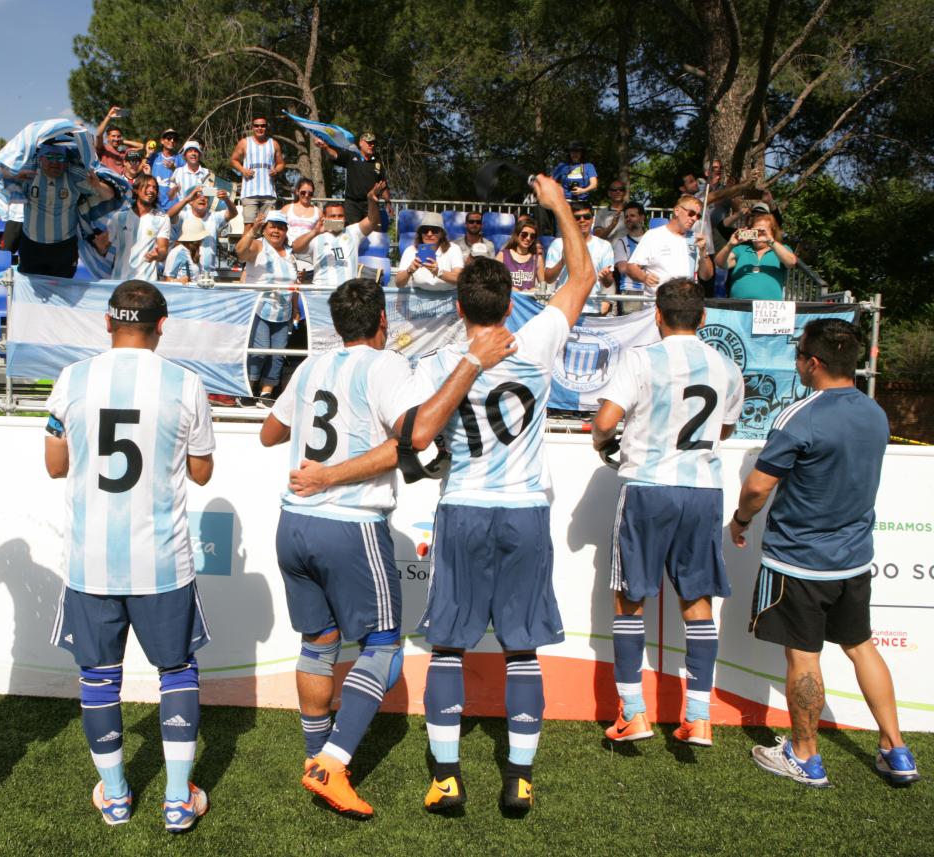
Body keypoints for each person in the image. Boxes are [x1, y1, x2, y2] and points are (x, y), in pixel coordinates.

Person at [285, 174, 597, 816]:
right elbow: (583, 277)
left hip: (462, 509)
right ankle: (519, 777)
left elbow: (419, 441)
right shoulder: (535, 341)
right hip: (525, 511)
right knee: (522, 648)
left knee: (448, 645)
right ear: (512, 306)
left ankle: (447, 778)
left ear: (459, 307)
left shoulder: (439, 366)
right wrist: (561, 208)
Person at [259, 277, 518, 819]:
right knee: (383, 648)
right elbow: (418, 434)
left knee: (319, 641)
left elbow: (269, 433)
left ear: (336, 324)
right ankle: (332, 762)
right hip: (348, 524)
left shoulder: (310, 366)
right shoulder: (385, 366)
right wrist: (469, 364)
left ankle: (314, 759)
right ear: (382, 321)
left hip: (293, 522)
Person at [44, 281, 215, 830]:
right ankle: (176, 798)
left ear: (106, 322)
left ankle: (116, 798)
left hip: (91, 561)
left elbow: (53, 464)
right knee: (178, 671)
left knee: (98, 678)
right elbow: (203, 472)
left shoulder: (72, 379)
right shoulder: (186, 384)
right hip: (161, 560)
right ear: (162, 325)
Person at [731, 319, 919, 788]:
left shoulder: (802, 415)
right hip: (853, 559)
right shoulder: (876, 413)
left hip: (800, 560)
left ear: (812, 363)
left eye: (798, 356)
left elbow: (757, 486)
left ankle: (805, 755)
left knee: (804, 657)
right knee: (861, 646)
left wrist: (740, 520)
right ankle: (896, 749)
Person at [591, 278, 744, 748]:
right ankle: (698, 715)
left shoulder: (641, 359)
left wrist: (603, 445)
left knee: (630, 598)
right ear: (702, 319)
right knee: (698, 601)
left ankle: (633, 713)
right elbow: (728, 426)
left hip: (649, 487)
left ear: (657, 316)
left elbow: (604, 423)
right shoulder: (725, 365)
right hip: (703, 490)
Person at [11, 142, 115, 278]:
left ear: (66, 162)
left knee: (64, 291)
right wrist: (12, 177)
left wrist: (97, 185)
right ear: (41, 158)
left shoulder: (74, 175)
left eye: (60, 158)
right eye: (50, 157)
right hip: (32, 244)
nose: (55, 163)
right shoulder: (29, 171)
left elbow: (109, 195)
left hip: (64, 246)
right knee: (31, 292)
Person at [236, 210, 297, 402]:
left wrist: (295, 310)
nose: (276, 231)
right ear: (265, 229)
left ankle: (266, 394)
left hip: (283, 311)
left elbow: (294, 285)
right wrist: (252, 231)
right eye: (272, 226)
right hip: (259, 307)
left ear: (286, 231)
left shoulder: (290, 254)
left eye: (281, 227)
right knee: (260, 351)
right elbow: (240, 252)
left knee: (278, 354)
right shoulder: (258, 245)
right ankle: (247, 391)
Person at [291, 182, 385, 287]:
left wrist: (371, 200)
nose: (337, 219)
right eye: (333, 216)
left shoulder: (353, 232)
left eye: (340, 216)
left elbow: (372, 221)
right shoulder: (316, 237)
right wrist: (315, 232)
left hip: (346, 293)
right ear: (324, 217)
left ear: (345, 218)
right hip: (321, 292)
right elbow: (295, 248)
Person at [623, 195, 712, 295]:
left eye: (698, 216)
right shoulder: (654, 235)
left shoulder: (696, 239)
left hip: (686, 302)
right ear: (677, 211)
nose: (694, 218)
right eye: (691, 213)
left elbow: (706, 276)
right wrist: (644, 277)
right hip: (657, 303)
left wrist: (704, 252)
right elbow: (631, 267)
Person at [542, 201, 615, 314]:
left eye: (586, 217)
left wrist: (606, 276)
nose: (582, 220)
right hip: (563, 307)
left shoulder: (604, 246)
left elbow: (608, 283)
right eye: (577, 217)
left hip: (591, 307)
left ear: (592, 219)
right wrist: (562, 261)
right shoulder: (558, 244)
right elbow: (548, 278)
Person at [97, 173, 170, 281]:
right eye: (147, 186)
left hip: (147, 282)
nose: (151, 190)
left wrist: (158, 255)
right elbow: (102, 248)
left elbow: (163, 251)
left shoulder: (162, 219)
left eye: (154, 188)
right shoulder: (119, 217)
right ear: (136, 190)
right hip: (120, 281)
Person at [715, 212, 797, 300]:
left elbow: (791, 262)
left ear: (772, 232)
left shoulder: (781, 249)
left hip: (768, 308)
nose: (758, 234)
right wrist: (730, 244)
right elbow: (720, 263)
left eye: (762, 231)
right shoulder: (742, 249)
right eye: (755, 231)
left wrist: (771, 242)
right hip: (739, 307)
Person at [316, 131, 391, 225]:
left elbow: (383, 185)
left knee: (373, 234)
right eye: (369, 143)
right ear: (360, 143)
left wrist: (388, 202)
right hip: (352, 204)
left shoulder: (378, 163)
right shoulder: (351, 156)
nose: (371, 145)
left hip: (371, 205)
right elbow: (335, 155)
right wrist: (325, 147)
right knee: (351, 233)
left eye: (373, 143)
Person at [165, 185, 236, 276]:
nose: (202, 198)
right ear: (191, 201)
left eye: (206, 196)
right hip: (187, 273)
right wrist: (187, 199)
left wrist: (226, 199)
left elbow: (233, 213)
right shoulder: (183, 216)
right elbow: (168, 216)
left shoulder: (214, 217)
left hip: (210, 273)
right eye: (197, 196)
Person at [230, 116, 285, 223]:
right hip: (249, 193)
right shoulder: (244, 142)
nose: (260, 128)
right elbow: (233, 160)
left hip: (268, 193)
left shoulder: (273, 143)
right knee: (249, 226)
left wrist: (276, 170)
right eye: (256, 126)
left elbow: (281, 164)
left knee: (267, 227)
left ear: (266, 127)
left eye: (263, 126)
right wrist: (243, 170)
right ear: (252, 127)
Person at [396, 212, 464, 291]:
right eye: (425, 230)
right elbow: (398, 283)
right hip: (419, 299)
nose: (429, 234)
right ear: (421, 233)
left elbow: (459, 279)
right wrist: (409, 271)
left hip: (447, 298)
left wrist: (439, 272)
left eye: (434, 230)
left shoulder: (453, 249)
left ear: (441, 234)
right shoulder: (410, 251)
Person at [280, 178, 321, 275]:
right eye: (303, 192)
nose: (306, 195)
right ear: (297, 192)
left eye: (310, 193)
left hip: (308, 256)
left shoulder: (318, 211)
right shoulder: (287, 208)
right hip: (289, 252)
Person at [611, 201, 647, 299]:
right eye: (626, 217)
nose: (628, 219)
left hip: (651, 290)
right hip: (630, 290)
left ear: (642, 217)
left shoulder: (652, 239)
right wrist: (645, 263)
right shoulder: (621, 242)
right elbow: (622, 268)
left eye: (632, 215)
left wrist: (632, 265)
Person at [495, 217, 541, 291]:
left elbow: (543, 286)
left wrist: (535, 289)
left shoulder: (537, 258)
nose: (528, 238)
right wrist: (509, 288)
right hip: (508, 300)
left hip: (527, 300)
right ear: (517, 234)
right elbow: (493, 282)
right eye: (524, 234)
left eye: (532, 236)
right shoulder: (502, 255)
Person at [95, 106, 143, 173]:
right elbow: (98, 135)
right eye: (113, 136)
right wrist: (108, 116)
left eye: (118, 136)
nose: (116, 138)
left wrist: (122, 141)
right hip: (106, 181)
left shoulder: (124, 153)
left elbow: (141, 146)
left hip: (121, 182)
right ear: (107, 137)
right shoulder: (103, 149)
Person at [147, 128, 183, 210]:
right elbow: (141, 170)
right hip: (154, 203)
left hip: (173, 204)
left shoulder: (180, 159)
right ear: (162, 141)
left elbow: (186, 177)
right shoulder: (154, 156)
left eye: (175, 139)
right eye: (169, 138)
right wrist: (147, 154)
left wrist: (175, 169)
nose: (172, 140)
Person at [163, 218, 208, 283]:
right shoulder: (177, 252)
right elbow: (167, 280)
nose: (202, 240)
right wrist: (178, 281)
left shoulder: (198, 251)